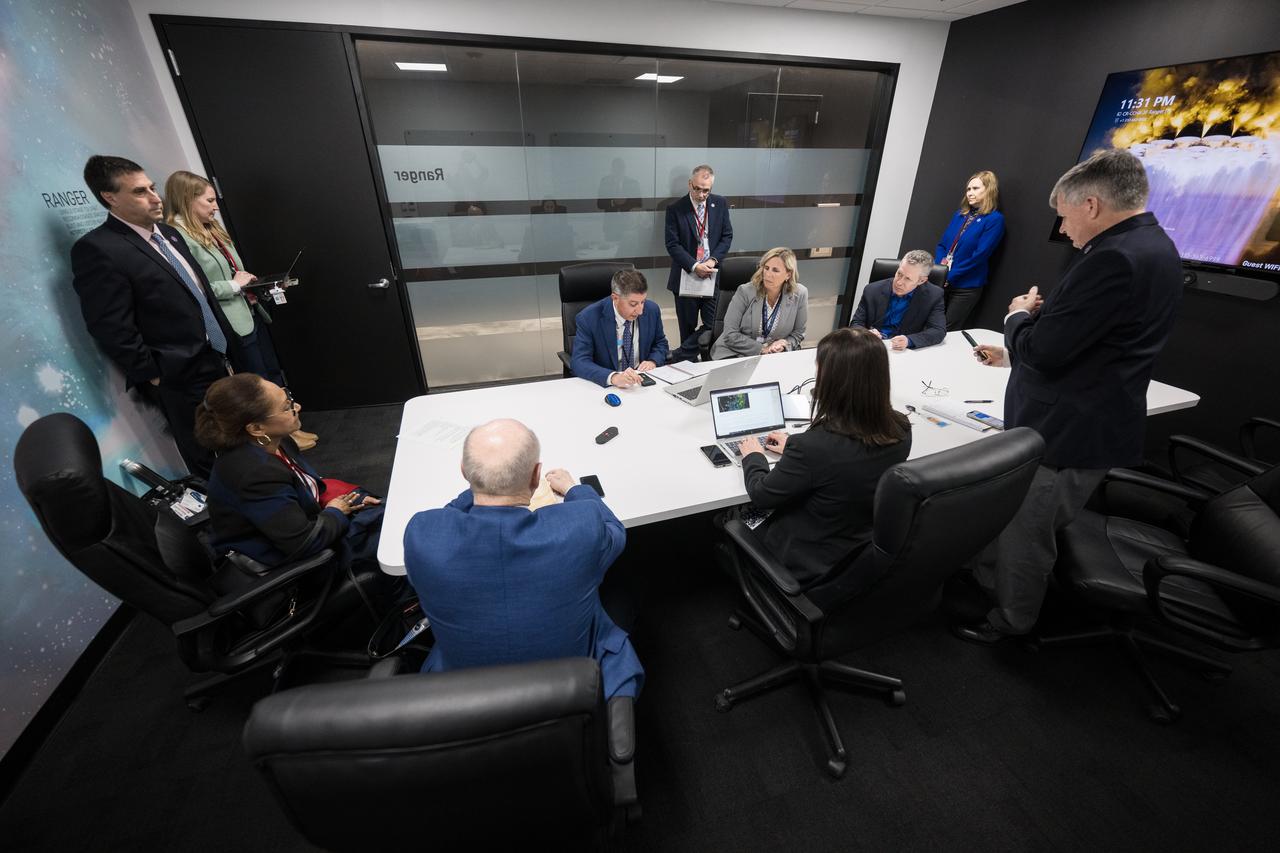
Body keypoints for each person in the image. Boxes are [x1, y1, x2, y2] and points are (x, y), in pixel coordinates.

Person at [954, 148, 1183, 643]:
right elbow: (1094, 343)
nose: (1064, 231)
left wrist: (1016, 317)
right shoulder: (1155, 247)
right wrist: (1018, 352)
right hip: (1091, 415)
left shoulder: (1113, 260)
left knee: (1025, 533)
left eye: (1065, 217)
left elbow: (1050, 349)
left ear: (1092, 205)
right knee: (1021, 524)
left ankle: (1010, 622)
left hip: (1063, 434)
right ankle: (988, 583)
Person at [402, 418, 644, 699]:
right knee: (621, 588)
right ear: (535, 475)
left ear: (463, 472)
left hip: (463, 699)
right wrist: (574, 489)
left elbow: (447, 516)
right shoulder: (581, 527)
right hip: (572, 689)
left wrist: (482, 483)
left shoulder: (423, 536)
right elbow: (615, 532)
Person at [71, 155, 238, 478]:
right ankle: (232, 520)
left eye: (152, 187)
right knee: (205, 455)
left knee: (236, 441)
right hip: (176, 373)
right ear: (110, 198)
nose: (154, 197)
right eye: (139, 192)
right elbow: (110, 325)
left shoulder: (168, 233)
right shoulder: (99, 249)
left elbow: (197, 291)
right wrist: (153, 374)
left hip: (215, 356)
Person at [735, 327, 912, 590]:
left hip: (804, 558)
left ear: (833, 379)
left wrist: (754, 456)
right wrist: (794, 447)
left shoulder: (815, 447)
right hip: (856, 548)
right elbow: (841, 468)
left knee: (732, 517)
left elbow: (761, 494)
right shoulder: (899, 428)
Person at [163, 170, 319, 452]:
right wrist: (234, 286)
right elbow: (200, 289)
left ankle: (289, 429)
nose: (215, 207)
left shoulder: (211, 229)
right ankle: (278, 441)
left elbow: (230, 270)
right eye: (209, 201)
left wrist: (248, 283)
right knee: (257, 385)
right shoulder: (178, 237)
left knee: (272, 374)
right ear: (187, 199)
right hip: (231, 321)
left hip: (251, 312)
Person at [194, 373, 382, 569]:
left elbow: (304, 490)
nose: (297, 407)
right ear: (257, 428)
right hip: (292, 564)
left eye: (288, 397)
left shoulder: (276, 440)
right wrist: (337, 512)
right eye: (286, 407)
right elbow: (305, 542)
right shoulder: (254, 473)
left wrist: (348, 503)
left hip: (307, 526)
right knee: (399, 542)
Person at [665, 164, 733, 361]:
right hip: (687, 276)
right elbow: (672, 244)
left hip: (711, 276)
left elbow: (727, 236)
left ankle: (679, 356)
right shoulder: (676, 209)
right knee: (686, 328)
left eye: (706, 190)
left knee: (714, 324)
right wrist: (695, 266)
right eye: (697, 188)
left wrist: (712, 260)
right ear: (690, 184)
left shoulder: (719, 204)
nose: (702, 194)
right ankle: (687, 366)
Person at [571, 268, 670, 388]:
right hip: (610, 386)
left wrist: (653, 361)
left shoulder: (652, 310)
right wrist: (613, 377)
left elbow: (661, 343)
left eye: (643, 302)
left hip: (642, 382)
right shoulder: (588, 318)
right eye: (633, 304)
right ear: (615, 298)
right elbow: (579, 362)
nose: (640, 311)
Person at [935, 170, 1006, 330]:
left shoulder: (994, 220)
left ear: (988, 190)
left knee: (947, 330)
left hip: (966, 286)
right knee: (931, 325)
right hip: (944, 280)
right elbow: (942, 245)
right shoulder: (960, 214)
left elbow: (980, 255)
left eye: (975, 189)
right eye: (968, 189)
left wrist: (949, 276)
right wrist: (939, 270)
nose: (970, 193)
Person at [711, 247, 809, 360]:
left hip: (774, 356)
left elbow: (798, 333)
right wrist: (761, 349)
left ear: (788, 275)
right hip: (736, 352)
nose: (768, 274)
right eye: (766, 268)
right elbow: (730, 334)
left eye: (775, 270)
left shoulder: (800, 294)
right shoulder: (745, 291)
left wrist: (783, 344)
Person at [850, 249, 946, 350]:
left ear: (921, 280)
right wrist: (866, 334)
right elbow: (856, 323)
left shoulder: (934, 296)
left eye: (907, 279)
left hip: (904, 351)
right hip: (872, 347)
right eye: (899, 274)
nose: (899, 282)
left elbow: (938, 330)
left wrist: (909, 340)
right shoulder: (872, 290)